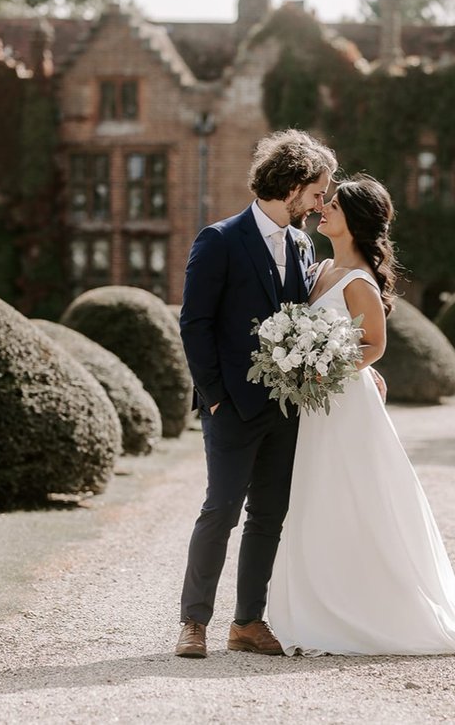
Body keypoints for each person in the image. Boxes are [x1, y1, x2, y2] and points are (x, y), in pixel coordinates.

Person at [266, 174, 455, 655]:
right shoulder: (319, 268)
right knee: (314, 496)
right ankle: (316, 604)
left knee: (353, 498)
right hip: (317, 407)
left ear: (355, 221)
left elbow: (375, 344)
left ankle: (368, 610)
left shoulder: (359, 281)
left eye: (334, 205)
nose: (323, 208)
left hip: (344, 406)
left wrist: (326, 368)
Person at [175, 128, 336, 659]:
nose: (321, 204)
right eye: (317, 192)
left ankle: (247, 623)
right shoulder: (219, 240)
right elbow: (194, 323)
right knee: (220, 510)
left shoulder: (303, 244)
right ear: (291, 186)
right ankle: (193, 622)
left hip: (286, 408)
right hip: (230, 407)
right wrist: (215, 396)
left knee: (268, 516)